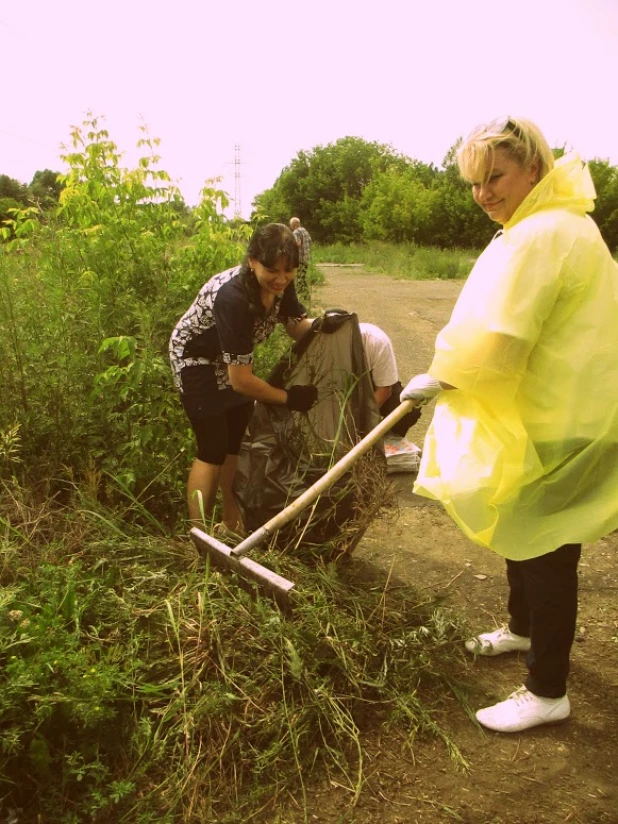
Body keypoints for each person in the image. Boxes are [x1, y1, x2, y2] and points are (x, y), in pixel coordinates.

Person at [400, 117, 618, 733]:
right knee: (521, 522)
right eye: (473, 183)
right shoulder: (551, 223)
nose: (483, 194)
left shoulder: (545, 232)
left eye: (494, 177)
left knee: (549, 548)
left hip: (559, 417)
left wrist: (442, 377)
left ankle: (548, 690)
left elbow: (503, 335)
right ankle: (522, 630)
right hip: (551, 411)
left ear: (533, 169)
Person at [169, 223, 317, 534]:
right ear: (251, 261)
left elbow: (296, 326)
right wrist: (289, 398)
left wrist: (327, 326)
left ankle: (232, 525)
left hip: (229, 363)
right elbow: (241, 382)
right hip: (195, 358)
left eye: (289, 271)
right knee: (213, 446)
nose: (281, 279)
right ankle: (200, 537)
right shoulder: (233, 298)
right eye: (272, 270)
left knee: (236, 443)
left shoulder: (280, 285)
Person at [359, 322, 421, 437]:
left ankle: (388, 442)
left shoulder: (376, 341)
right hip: (339, 389)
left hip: (373, 384)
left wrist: (364, 422)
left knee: (408, 412)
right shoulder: (323, 343)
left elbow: (384, 390)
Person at [289, 217, 312, 301]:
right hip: (306, 258)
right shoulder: (305, 231)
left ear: (293, 224)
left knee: (299, 278)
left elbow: (297, 244)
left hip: (300, 258)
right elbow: (310, 242)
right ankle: (306, 296)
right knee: (303, 277)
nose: (290, 226)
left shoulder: (296, 232)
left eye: (290, 225)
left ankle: (301, 297)